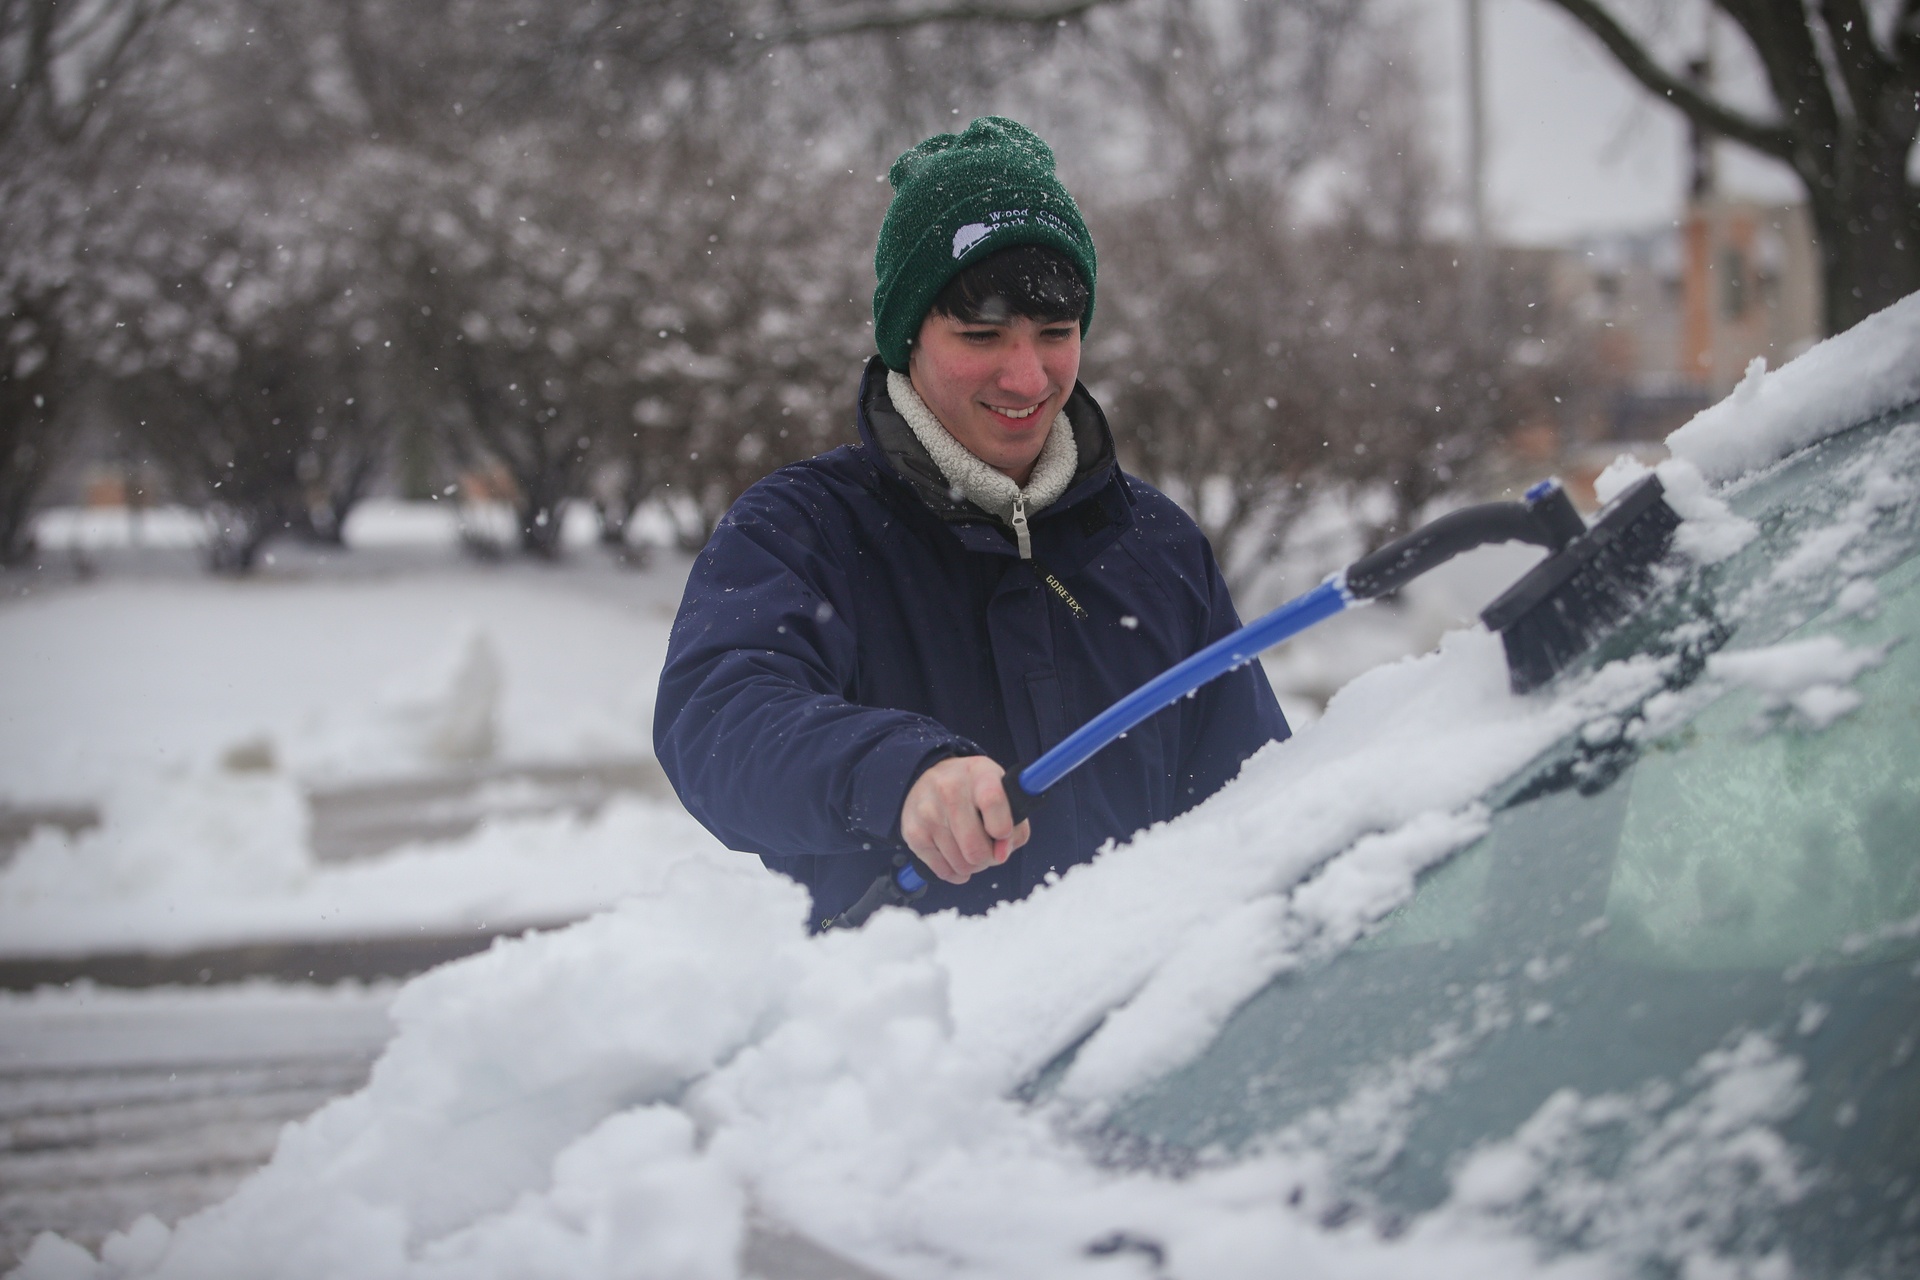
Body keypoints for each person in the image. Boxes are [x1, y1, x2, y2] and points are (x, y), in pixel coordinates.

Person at [654, 116, 1288, 929]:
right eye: (981, 335)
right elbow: (715, 721)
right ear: (906, 338)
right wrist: (896, 773)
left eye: (1056, 335)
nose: (1026, 376)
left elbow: (1260, 798)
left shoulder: (1154, 545)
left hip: (1131, 1031)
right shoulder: (800, 529)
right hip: (912, 1037)